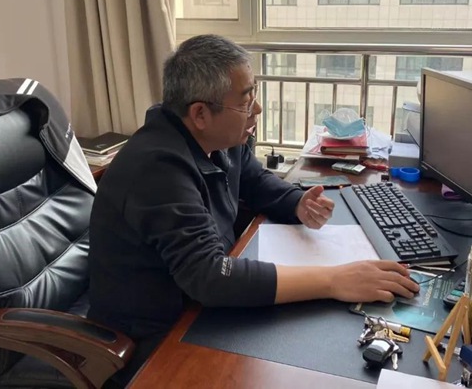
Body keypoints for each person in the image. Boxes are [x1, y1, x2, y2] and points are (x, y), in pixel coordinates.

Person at [88, 34, 419, 384]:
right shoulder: (157, 168)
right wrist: (334, 280)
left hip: (201, 310)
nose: (257, 110)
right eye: (246, 102)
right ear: (200, 113)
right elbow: (210, 276)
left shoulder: (218, 139)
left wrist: (296, 202)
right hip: (151, 340)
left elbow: (253, 179)